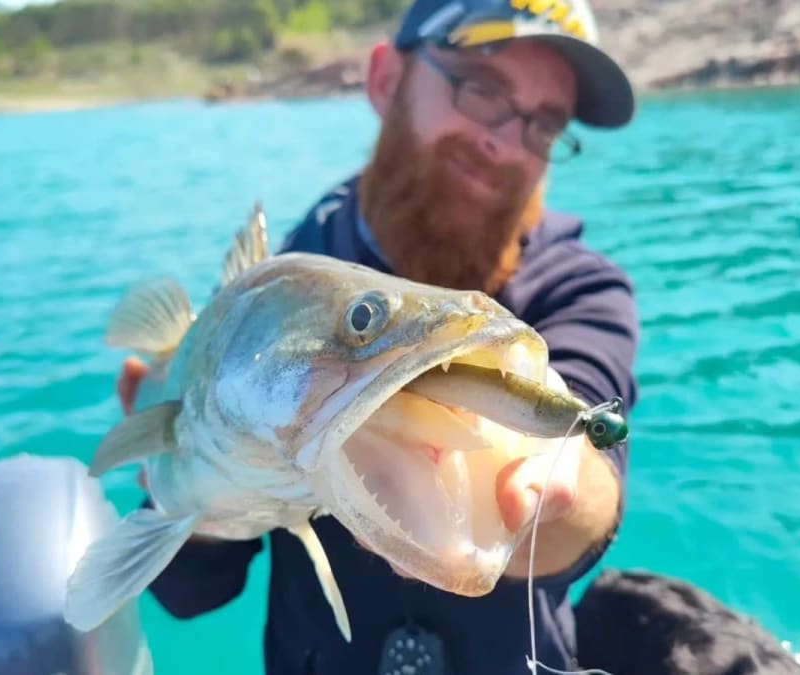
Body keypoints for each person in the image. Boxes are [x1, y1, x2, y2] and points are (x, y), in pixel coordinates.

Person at [117, 0, 640, 672]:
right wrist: (195, 489)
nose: (507, 143)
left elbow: (590, 482)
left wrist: (557, 492)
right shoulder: (278, 294)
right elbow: (189, 594)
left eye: (545, 124)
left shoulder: (583, 288)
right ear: (386, 80)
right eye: (482, 88)